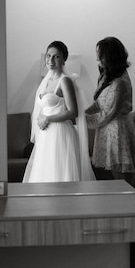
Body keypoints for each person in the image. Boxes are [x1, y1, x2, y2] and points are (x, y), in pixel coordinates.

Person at [23, 41, 95, 183]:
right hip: (45, 135)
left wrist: (47, 119)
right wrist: (40, 119)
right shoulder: (46, 80)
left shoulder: (65, 81)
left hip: (60, 133)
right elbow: (42, 108)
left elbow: (73, 112)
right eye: (48, 55)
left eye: (56, 56)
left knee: (59, 174)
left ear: (63, 59)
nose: (50, 60)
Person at [85, 36, 135, 190]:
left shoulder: (120, 82)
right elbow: (99, 103)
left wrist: (83, 120)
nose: (97, 58)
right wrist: (82, 113)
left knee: (124, 180)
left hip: (117, 131)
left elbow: (107, 113)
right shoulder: (107, 77)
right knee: (117, 179)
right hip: (108, 130)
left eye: (100, 55)